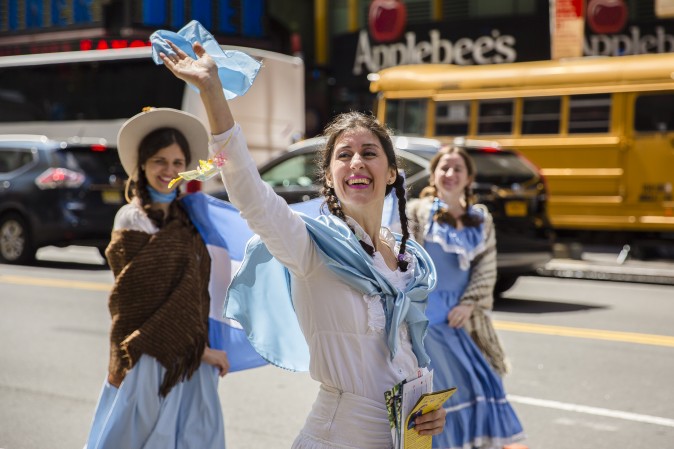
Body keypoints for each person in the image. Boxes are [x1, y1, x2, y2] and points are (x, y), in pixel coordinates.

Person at [159, 39, 446, 448]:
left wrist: (428, 410)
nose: (357, 163)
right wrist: (211, 92)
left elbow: (407, 354)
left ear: (393, 172)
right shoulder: (311, 247)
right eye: (343, 155)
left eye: (369, 152)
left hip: (403, 437)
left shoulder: (407, 259)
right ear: (329, 177)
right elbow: (250, 194)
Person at [85, 107, 230, 449]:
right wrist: (202, 352)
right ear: (142, 166)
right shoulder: (131, 218)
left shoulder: (191, 215)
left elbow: (201, 287)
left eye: (178, 163)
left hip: (187, 358)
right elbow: (140, 302)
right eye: (159, 161)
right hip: (146, 356)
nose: (169, 171)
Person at [406, 145, 525, 449]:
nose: (450, 174)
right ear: (433, 174)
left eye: (457, 169)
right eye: (444, 168)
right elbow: (404, 260)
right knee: (439, 394)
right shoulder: (417, 212)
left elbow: (486, 270)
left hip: (463, 320)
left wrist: (470, 303)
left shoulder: (481, 220)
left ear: (469, 177)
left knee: (482, 384)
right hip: (424, 320)